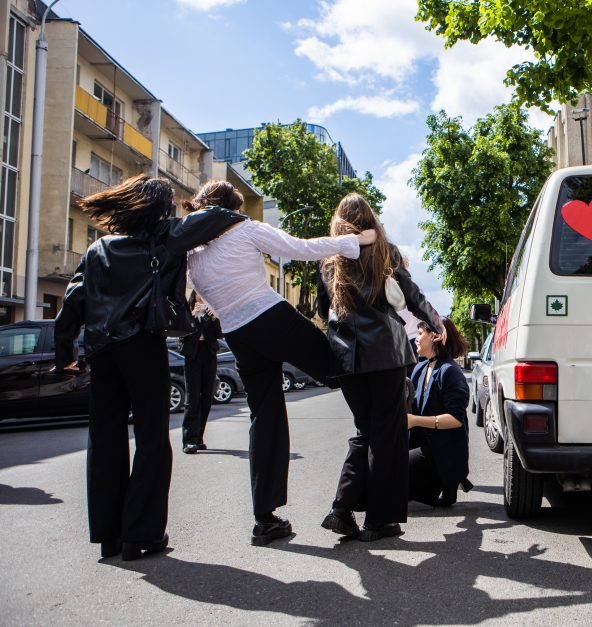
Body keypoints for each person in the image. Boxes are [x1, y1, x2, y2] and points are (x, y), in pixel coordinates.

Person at [54, 174, 247, 561]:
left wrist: (66, 356)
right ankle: (141, 535)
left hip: (101, 351)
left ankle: (109, 536)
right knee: (152, 439)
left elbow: (73, 302)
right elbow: (221, 214)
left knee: (105, 438)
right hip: (142, 346)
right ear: (159, 208)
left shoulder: (99, 249)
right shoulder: (167, 236)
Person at [185, 180, 375, 546]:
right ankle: (376, 431)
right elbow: (301, 248)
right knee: (338, 365)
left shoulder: (192, 255)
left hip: (238, 336)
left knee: (266, 419)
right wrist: (356, 243)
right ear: (231, 209)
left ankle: (265, 519)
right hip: (271, 318)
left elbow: (204, 301)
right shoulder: (244, 229)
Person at [317, 193, 443, 542]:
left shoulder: (329, 260)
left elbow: (320, 305)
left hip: (347, 357)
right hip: (385, 353)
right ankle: (380, 520)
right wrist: (436, 322)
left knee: (365, 431)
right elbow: (412, 294)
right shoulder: (384, 251)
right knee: (387, 436)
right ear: (370, 218)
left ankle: (342, 510)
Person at [407, 318, 472, 507]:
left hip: (443, 454)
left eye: (420, 334)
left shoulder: (451, 371)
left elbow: (455, 419)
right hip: (424, 446)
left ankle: (447, 483)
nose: (416, 339)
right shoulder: (420, 368)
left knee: (393, 472)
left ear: (434, 336)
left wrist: (414, 420)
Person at [180, 292, 223, 454]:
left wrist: (213, 318)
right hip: (193, 356)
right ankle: (189, 440)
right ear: (194, 296)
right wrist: (193, 317)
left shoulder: (212, 311)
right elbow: (183, 334)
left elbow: (219, 334)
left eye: (204, 295)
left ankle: (198, 438)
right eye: (199, 295)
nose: (202, 298)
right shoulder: (188, 311)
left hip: (209, 354)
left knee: (206, 398)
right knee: (192, 399)